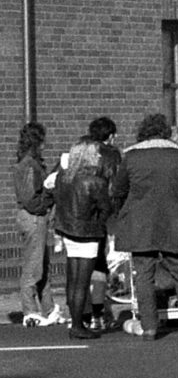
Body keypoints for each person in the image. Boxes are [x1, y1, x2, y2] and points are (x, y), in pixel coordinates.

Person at [110, 114, 178, 341]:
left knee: (144, 275)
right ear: (165, 132)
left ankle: (149, 327)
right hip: (173, 222)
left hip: (140, 225)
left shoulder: (131, 156)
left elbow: (117, 189)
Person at [52, 118, 118, 340]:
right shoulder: (95, 181)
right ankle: (78, 326)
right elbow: (106, 207)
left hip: (67, 229)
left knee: (72, 279)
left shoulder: (66, 176)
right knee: (83, 281)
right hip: (88, 232)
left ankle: (76, 320)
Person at [12, 123, 54, 327]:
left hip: (30, 216)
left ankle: (49, 308)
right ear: (37, 142)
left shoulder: (26, 162)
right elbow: (30, 198)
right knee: (34, 266)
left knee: (42, 264)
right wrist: (46, 202)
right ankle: (30, 311)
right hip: (33, 216)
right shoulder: (30, 165)